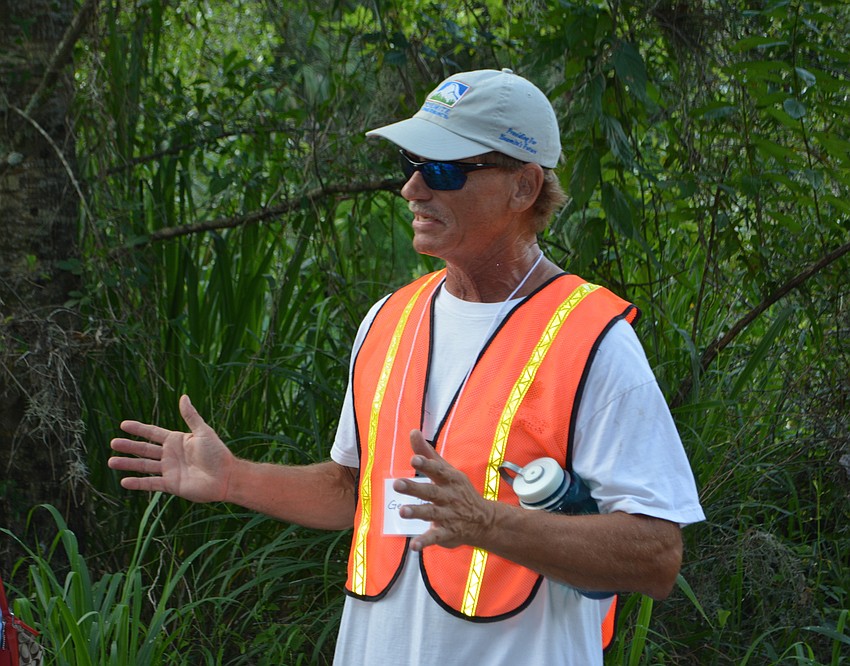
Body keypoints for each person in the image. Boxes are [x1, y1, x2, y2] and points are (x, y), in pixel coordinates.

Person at [109, 68, 705, 665]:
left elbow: (656, 555)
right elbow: (354, 491)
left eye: (444, 170)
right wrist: (235, 479)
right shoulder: (388, 321)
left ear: (524, 187)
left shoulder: (592, 339)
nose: (413, 189)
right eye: (412, 166)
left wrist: (488, 523)